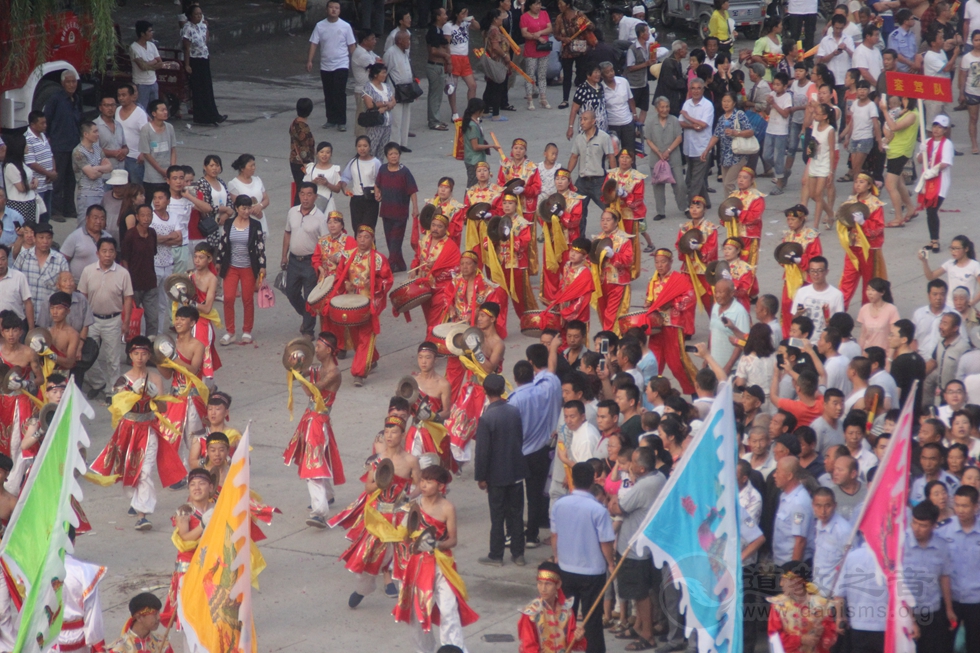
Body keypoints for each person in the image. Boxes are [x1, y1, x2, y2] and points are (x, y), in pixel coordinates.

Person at [90, 336, 185, 529]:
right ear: (130, 355)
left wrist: (153, 396)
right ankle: (136, 499)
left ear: (149, 355)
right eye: (136, 353)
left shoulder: (156, 378)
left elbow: (164, 407)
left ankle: (143, 515)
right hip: (128, 429)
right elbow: (117, 408)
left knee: (145, 471)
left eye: (144, 354)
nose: (140, 357)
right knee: (129, 469)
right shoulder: (122, 380)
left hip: (149, 428)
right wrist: (134, 395)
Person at [393, 465, 478, 653]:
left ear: (440, 487)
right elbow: (404, 538)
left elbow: (453, 540)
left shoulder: (448, 508)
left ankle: (455, 649)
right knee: (416, 613)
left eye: (429, 482)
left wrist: (436, 545)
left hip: (441, 564)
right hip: (416, 565)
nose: (423, 485)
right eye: (422, 480)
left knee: (449, 608)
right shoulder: (413, 505)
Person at [549, 462, 615, 653]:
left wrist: (556, 557)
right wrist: (610, 563)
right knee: (592, 619)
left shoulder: (559, 505)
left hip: (566, 568)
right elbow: (606, 542)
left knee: (566, 616)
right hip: (592, 572)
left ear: (572, 479)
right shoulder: (598, 510)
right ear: (593, 480)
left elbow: (555, 535)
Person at [283, 332, 344, 528]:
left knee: (313, 465)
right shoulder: (318, 368)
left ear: (329, 349)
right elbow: (300, 370)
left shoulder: (334, 373)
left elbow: (312, 391)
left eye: (318, 347)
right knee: (318, 458)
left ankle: (320, 512)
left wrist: (298, 372)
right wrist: (295, 363)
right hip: (312, 420)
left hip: (318, 422)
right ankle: (327, 494)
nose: (315, 350)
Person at [608, 447, 665, 651]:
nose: (629, 465)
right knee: (642, 592)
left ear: (641, 468)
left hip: (635, 549)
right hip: (644, 547)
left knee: (640, 594)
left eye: (632, 462)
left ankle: (647, 636)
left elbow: (617, 508)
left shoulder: (644, 486)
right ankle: (639, 626)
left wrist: (613, 500)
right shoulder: (659, 477)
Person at [326, 225, 393, 386]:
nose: (363, 240)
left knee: (365, 336)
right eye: (360, 237)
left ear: (372, 240)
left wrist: (375, 283)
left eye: (366, 237)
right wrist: (346, 283)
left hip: (368, 303)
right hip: (351, 303)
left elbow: (387, 279)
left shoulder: (378, 259)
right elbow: (339, 275)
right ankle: (373, 358)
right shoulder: (348, 255)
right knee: (356, 337)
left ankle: (359, 373)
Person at [474, 373, 528, 566]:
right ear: (503, 389)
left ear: (485, 391)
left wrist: (481, 477)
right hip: (515, 471)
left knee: (497, 516)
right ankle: (518, 553)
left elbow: (483, 452)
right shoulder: (513, 412)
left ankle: (496, 555)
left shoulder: (487, 418)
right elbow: (520, 438)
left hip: (496, 475)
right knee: (516, 514)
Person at [159, 467, 214, 625]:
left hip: (210, 562)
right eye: (193, 484)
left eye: (202, 483)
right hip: (189, 566)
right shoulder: (185, 511)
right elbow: (184, 539)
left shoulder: (215, 508)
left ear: (210, 487)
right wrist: (202, 525)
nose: (197, 488)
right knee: (189, 609)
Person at [645, 249, 697, 394]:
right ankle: (655, 392)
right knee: (654, 362)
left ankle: (693, 389)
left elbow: (691, 296)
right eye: (657, 262)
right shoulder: (653, 281)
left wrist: (673, 303)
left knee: (676, 363)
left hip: (672, 325)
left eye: (663, 262)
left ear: (671, 262)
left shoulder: (678, 279)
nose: (660, 265)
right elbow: (649, 300)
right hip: (656, 328)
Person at [215, 196, 265, 345]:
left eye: (249, 208)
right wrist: (218, 261)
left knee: (247, 299)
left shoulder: (255, 225)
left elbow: (260, 247)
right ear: (236, 209)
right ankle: (230, 331)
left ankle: (247, 330)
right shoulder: (229, 223)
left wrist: (262, 266)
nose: (246, 211)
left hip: (249, 267)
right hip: (231, 266)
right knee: (229, 298)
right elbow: (223, 243)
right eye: (243, 208)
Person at [281, 184, 327, 338]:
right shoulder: (292, 212)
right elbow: (287, 233)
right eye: (302, 194)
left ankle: (308, 330)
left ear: (315, 196)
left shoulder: (320, 217)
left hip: (310, 262)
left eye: (309, 194)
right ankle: (307, 314)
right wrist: (283, 256)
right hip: (294, 260)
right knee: (291, 292)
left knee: (310, 297)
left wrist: (322, 265)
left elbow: (325, 242)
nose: (305, 198)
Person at [939, 485, 980, 652]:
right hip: (950, 599)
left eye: (965, 506)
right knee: (945, 644)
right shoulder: (942, 531)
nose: (960, 510)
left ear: (976, 507)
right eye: (957, 505)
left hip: (976, 600)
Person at [483, 191, 536, 318]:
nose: (507, 206)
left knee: (521, 298)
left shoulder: (523, 223)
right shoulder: (497, 221)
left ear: (516, 205)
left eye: (510, 203)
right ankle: (498, 327)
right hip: (500, 265)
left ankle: (527, 321)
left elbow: (523, 245)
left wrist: (509, 235)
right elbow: (488, 242)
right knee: (499, 297)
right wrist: (492, 240)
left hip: (517, 266)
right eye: (505, 203)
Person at [409, 211, 460, 341]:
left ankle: (431, 346)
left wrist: (436, 268)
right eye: (433, 225)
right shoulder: (425, 240)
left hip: (442, 288)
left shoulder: (450, 246)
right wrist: (414, 268)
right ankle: (440, 342)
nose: (435, 229)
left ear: (445, 229)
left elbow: (456, 270)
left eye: (439, 226)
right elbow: (418, 258)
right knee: (430, 318)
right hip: (425, 287)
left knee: (434, 320)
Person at [307, 0, 356, 131]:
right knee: (328, 92)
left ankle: (341, 121)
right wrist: (310, 60)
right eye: (331, 7)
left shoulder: (345, 26)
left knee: (339, 92)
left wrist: (356, 62)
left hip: (341, 63)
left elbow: (352, 46)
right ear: (327, 9)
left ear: (340, 11)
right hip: (325, 65)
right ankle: (331, 119)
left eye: (337, 8)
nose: (334, 10)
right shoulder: (320, 26)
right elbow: (314, 43)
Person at [517, 561, 586, 652]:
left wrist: (577, 637)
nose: (543, 589)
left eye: (548, 584)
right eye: (540, 583)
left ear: (558, 584)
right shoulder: (531, 612)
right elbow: (528, 646)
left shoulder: (566, 609)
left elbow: (570, 639)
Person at [767, 564, 837, 652]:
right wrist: (801, 640)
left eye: (784, 580)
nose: (781, 584)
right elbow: (774, 637)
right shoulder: (778, 605)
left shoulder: (821, 605)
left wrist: (822, 632)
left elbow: (831, 638)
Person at [44, 70, 83, 220]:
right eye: (68, 82)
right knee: (58, 180)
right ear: (62, 83)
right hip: (59, 145)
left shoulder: (76, 99)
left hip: (74, 144)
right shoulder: (55, 99)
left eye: (74, 82)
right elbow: (47, 119)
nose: (72, 85)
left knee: (71, 180)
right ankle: (56, 210)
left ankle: (69, 209)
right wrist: (48, 139)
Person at [375, 143, 419, 272]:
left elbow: (412, 191)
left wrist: (415, 208)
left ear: (399, 155)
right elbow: (377, 184)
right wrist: (377, 193)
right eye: (390, 154)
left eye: (396, 154)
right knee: (390, 240)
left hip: (400, 213)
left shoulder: (404, 172)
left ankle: (388, 267)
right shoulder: (383, 169)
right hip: (386, 211)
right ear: (387, 156)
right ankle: (400, 265)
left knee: (395, 240)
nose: (393, 156)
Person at [567, 111, 614, 231]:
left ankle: (617, 238)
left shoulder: (604, 137)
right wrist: (566, 175)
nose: (582, 122)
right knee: (578, 213)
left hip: (599, 182)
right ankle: (580, 243)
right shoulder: (579, 138)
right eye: (581, 119)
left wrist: (614, 179)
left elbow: (611, 157)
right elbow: (574, 157)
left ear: (593, 121)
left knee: (610, 210)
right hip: (582, 182)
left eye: (585, 119)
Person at [917, 115, 955, 254]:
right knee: (929, 211)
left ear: (945, 130)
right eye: (935, 126)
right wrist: (922, 150)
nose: (936, 130)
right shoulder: (928, 141)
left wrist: (934, 170)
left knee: (932, 210)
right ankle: (933, 239)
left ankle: (935, 240)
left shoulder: (947, 144)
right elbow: (920, 160)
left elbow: (945, 163)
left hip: (940, 182)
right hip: (928, 181)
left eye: (940, 127)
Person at [181, 5, 225, 125]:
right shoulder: (187, 28)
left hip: (204, 58)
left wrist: (206, 28)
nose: (199, 16)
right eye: (196, 14)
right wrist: (187, 65)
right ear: (190, 16)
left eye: (200, 14)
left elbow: (204, 41)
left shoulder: (202, 26)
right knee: (199, 89)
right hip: (195, 61)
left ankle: (213, 114)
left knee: (207, 88)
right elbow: (187, 47)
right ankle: (202, 116)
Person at [644, 97, 686, 223]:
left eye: (667, 107)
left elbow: (679, 138)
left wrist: (668, 151)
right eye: (662, 107)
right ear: (657, 109)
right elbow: (648, 139)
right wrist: (659, 152)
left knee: (680, 184)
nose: (665, 109)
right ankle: (660, 212)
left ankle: (684, 207)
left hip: (673, 157)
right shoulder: (651, 122)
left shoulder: (674, 120)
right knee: (658, 186)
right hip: (656, 158)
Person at [703, 93, 754, 196]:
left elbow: (750, 132)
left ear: (734, 103)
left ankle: (732, 207)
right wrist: (707, 150)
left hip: (738, 155)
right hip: (725, 157)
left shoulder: (739, 115)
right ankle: (730, 206)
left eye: (728, 101)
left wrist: (736, 133)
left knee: (728, 184)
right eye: (724, 101)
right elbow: (716, 136)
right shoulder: (721, 119)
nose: (726, 104)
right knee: (726, 185)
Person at [120, 204, 159, 336]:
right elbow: (124, 258)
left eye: (149, 215)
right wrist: (127, 280)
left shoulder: (152, 233)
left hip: (150, 283)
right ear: (137, 217)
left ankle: (151, 349)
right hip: (134, 284)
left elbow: (153, 253)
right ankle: (132, 351)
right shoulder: (130, 235)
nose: (146, 218)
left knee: (153, 319)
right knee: (133, 319)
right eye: (143, 215)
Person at [594, 209, 633, 332]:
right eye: (602, 220)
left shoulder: (624, 239)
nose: (604, 223)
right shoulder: (598, 238)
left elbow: (628, 260)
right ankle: (608, 335)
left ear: (616, 222)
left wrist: (614, 256)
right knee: (603, 312)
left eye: (608, 220)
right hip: (601, 282)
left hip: (617, 282)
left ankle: (608, 338)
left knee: (612, 313)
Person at [771, 456, 815, 566]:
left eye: (777, 471)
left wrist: (793, 574)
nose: (774, 475)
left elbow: (800, 541)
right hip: (781, 561)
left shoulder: (799, 502)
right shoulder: (785, 495)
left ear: (789, 476)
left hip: (791, 564)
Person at [790, 257, 844, 345]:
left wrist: (828, 321)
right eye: (812, 271)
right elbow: (793, 320)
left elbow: (839, 324)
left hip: (822, 344)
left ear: (826, 271)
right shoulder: (802, 292)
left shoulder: (836, 295)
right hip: (801, 342)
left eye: (819, 271)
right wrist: (799, 313)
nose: (815, 274)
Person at [553, 0, 595, 110]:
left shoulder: (579, 15)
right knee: (567, 75)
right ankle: (565, 99)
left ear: (567, 5)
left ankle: (582, 98)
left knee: (581, 74)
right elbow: (556, 34)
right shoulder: (559, 18)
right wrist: (563, 38)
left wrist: (587, 26)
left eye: (561, 4)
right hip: (567, 49)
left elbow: (590, 26)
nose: (559, 6)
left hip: (580, 48)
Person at [680, 79, 715, 204]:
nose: (695, 91)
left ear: (703, 90)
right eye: (693, 88)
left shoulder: (707, 105)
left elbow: (703, 125)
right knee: (695, 177)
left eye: (698, 88)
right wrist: (692, 125)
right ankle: (707, 202)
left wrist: (688, 117)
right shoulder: (687, 104)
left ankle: (692, 206)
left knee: (693, 181)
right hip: (689, 147)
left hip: (702, 148)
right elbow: (681, 122)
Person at [72, 122, 113, 222]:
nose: (98, 134)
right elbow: (92, 175)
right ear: (86, 134)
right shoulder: (78, 152)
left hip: (100, 191)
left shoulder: (97, 149)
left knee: (100, 224)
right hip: (86, 194)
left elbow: (110, 167)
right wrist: (102, 168)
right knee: (85, 225)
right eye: (95, 131)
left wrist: (96, 168)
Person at [340, 136, 383, 233]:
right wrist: (344, 187)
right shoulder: (353, 162)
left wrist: (379, 192)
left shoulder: (376, 162)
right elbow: (345, 178)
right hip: (356, 200)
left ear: (370, 147)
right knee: (357, 230)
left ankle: (371, 248)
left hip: (370, 199)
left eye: (365, 146)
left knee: (368, 230)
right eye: (359, 146)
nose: (362, 148)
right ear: (356, 147)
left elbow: (381, 180)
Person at [443, 8, 481, 116]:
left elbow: (477, 27)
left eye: (466, 13)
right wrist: (449, 61)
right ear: (456, 14)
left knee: (472, 85)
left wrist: (472, 20)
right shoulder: (449, 26)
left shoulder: (465, 23)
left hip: (465, 57)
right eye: (463, 13)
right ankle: (454, 112)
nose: (465, 15)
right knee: (453, 86)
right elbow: (446, 44)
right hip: (454, 57)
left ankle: (470, 111)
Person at [136, 100, 176, 202]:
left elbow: (173, 149)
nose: (165, 112)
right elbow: (146, 154)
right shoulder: (146, 129)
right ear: (154, 113)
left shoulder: (169, 127)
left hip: (168, 174)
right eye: (162, 110)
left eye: (166, 110)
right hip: (152, 176)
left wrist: (172, 169)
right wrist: (161, 171)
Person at [107, 592, 173, 653]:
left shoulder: (162, 643)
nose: (159, 617)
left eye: (159, 613)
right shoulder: (119, 649)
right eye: (155, 614)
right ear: (139, 617)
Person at [62, 204, 113, 281]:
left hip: (102, 283)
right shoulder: (75, 236)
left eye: (102, 219)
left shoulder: (109, 238)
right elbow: (62, 260)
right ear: (87, 218)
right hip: (77, 285)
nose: (98, 222)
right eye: (95, 218)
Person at [24, 111, 56, 223]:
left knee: (47, 213)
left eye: (45, 123)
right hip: (38, 185)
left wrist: (54, 171)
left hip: (48, 182)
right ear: (32, 125)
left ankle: (46, 234)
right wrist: (49, 174)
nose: (45, 125)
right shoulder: (27, 139)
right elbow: (31, 163)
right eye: (42, 123)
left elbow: (50, 154)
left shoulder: (43, 135)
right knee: (38, 214)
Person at [227, 153, 270, 235]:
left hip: (260, 218)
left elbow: (266, 199)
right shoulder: (233, 184)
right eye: (251, 166)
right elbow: (237, 205)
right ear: (242, 168)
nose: (253, 168)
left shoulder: (257, 180)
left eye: (254, 165)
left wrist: (260, 206)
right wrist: (253, 211)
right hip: (245, 222)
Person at [384, 32, 414, 151]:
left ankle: (403, 143)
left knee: (406, 116)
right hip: (395, 89)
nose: (409, 42)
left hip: (407, 88)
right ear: (400, 41)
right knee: (396, 118)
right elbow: (385, 71)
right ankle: (394, 144)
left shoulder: (405, 52)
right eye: (407, 40)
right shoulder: (390, 53)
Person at [520, 0, 552, 111]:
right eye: (536, 4)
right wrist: (537, 37)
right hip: (531, 49)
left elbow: (550, 28)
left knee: (542, 74)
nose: (538, 6)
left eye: (539, 4)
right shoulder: (524, 17)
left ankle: (543, 98)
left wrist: (540, 32)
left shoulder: (544, 13)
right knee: (530, 75)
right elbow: (524, 33)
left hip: (544, 48)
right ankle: (530, 99)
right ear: (530, 5)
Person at [3, 133, 40, 225]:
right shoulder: (10, 166)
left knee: (31, 228)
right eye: (25, 145)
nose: (27, 147)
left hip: (30, 201)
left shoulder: (22, 162)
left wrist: (35, 179)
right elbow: (21, 188)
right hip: (18, 204)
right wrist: (32, 186)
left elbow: (28, 176)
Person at [114, 85, 147, 185]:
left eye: (124, 95)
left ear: (132, 96)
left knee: (136, 188)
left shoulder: (140, 113)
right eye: (119, 95)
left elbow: (146, 134)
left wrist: (143, 153)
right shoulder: (116, 110)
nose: (121, 98)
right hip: (119, 156)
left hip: (135, 158)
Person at [425, 9, 452, 132]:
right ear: (437, 17)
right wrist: (446, 56)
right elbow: (433, 51)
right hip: (435, 66)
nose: (446, 16)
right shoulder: (434, 30)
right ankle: (434, 121)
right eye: (444, 14)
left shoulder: (439, 30)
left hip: (438, 66)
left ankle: (435, 118)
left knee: (437, 95)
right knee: (435, 95)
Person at [303, 142, 343, 216]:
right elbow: (303, 187)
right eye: (321, 152)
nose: (324, 155)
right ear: (317, 154)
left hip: (328, 202)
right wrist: (313, 183)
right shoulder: (311, 168)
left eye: (327, 152)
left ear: (331, 154)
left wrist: (327, 184)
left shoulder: (335, 169)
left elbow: (337, 189)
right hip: (311, 201)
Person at [960, 30, 980, 155]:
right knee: (973, 118)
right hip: (972, 92)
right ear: (972, 42)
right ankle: (974, 143)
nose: (979, 42)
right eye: (976, 40)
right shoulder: (967, 58)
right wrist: (961, 93)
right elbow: (963, 76)